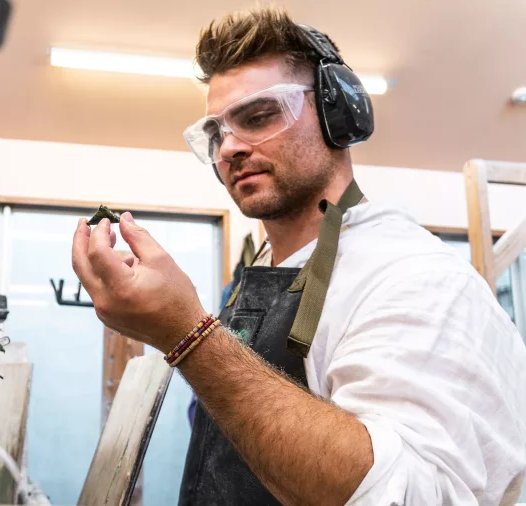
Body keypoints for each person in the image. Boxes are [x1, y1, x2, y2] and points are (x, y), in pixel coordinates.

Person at [71, 7, 526, 505]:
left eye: (259, 116)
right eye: (216, 134)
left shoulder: (414, 278)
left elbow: (406, 494)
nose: (229, 150)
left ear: (339, 114)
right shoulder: (265, 272)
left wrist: (187, 334)